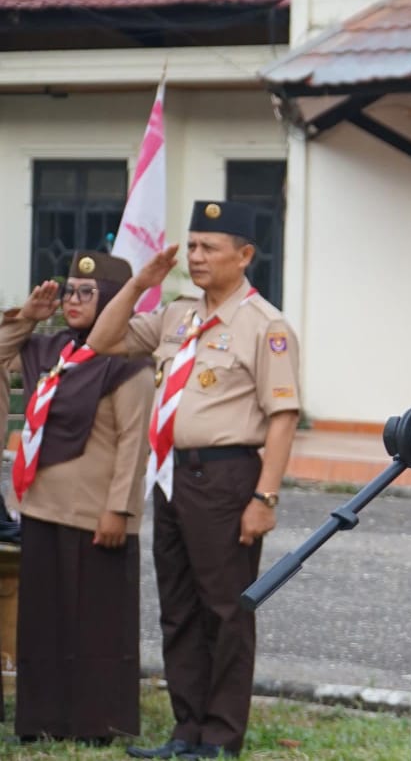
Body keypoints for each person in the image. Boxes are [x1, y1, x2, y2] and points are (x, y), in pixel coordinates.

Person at [86, 201, 301, 760]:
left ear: (245, 254)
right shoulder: (178, 314)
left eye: (210, 247)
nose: (197, 257)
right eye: (193, 246)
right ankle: (185, 730)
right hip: (171, 474)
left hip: (228, 476)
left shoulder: (265, 326)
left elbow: (283, 416)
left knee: (226, 609)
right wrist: (138, 285)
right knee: (178, 605)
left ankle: (221, 736)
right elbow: (102, 341)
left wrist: (265, 496)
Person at [0, 252, 154, 744]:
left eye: (86, 293)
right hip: (40, 504)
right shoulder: (50, 350)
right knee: (42, 622)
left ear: (111, 299)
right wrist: (26, 318)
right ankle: (43, 720)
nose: (72, 301)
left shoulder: (127, 364)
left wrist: (120, 509)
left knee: (99, 626)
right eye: (68, 290)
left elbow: (135, 442)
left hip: (96, 512)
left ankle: (98, 723)